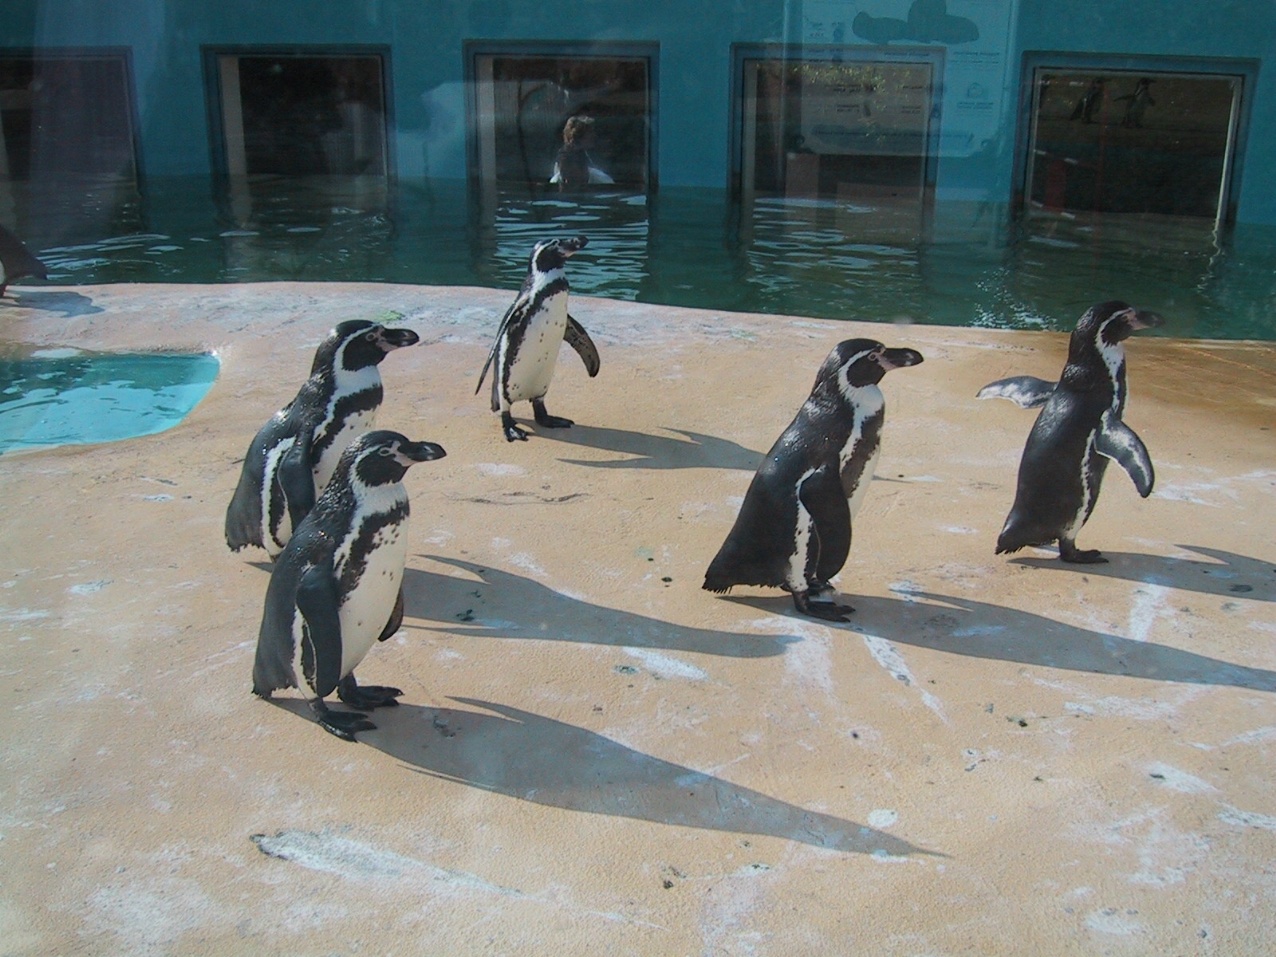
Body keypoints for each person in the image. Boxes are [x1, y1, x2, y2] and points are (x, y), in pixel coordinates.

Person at [549, 115, 613, 190]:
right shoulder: (556, 178)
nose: (593, 135)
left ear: (584, 169)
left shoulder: (603, 181)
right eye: (589, 132)